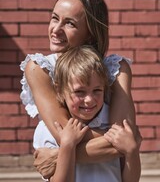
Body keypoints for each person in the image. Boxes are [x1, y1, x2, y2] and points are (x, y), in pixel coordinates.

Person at [20, 0, 141, 181]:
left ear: (90, 33)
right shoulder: (39, 68)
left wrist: (57, 156)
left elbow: (123, 139)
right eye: (54, 18)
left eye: (69, 23)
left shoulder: (116, 69)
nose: (56, 29)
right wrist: (121, 141)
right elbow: (67, 136)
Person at [35, 45, 140, 182]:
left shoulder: (113, 122)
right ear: (60, 90)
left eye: (97, 90)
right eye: (79, 92)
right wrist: (67, 145)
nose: (89, 100)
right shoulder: (49, 129)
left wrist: (132, 152)